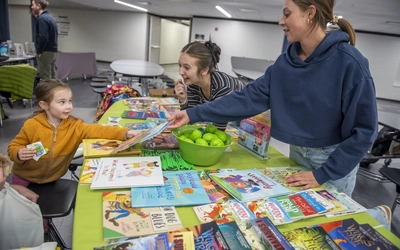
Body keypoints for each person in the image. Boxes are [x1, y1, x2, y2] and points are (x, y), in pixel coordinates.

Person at [168, 0, 391, 228]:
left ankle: (377, 216)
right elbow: (247, 98)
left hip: (333, 158)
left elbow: (364, 132)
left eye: (287, 14)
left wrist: (323, 174)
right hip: (298, 152)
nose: (280, 21)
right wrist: (194, 113)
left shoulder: (350, 62)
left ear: (310, 13)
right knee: (300, 218)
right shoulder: (286, 62)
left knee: (333, 224)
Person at [8, 79, 140, 187]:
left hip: (51, 180)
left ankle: (44, 220)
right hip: (23, 178)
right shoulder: (32, 124)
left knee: (41, 206)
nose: (68, 106)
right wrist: (19, 153)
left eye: (70, 101)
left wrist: (126, 133)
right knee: (24, 210)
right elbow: (13, 147)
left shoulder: (75, 126)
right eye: (62, 102)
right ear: (44, 105)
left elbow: (98, 129)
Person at [174, 39, 245, 130]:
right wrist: (183, 99)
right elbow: (191, 118)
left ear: (204, 70)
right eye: (180, 65)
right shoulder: (194, 84)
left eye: (187, 68)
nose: (180, 72)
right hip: (231, 117)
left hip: (249, 117)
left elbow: (218, 129)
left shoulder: (222, 87)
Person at [31, 0, 58, 80]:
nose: (32, 7)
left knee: (45, 77)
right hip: (53, 51)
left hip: (45, 52)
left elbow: (43, 37)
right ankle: (54, 92)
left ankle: (47, 93)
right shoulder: (51, 18)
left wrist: (39, 51)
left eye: (33, 5)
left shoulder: (42, 19)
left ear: (38, 6)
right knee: (53, 76)